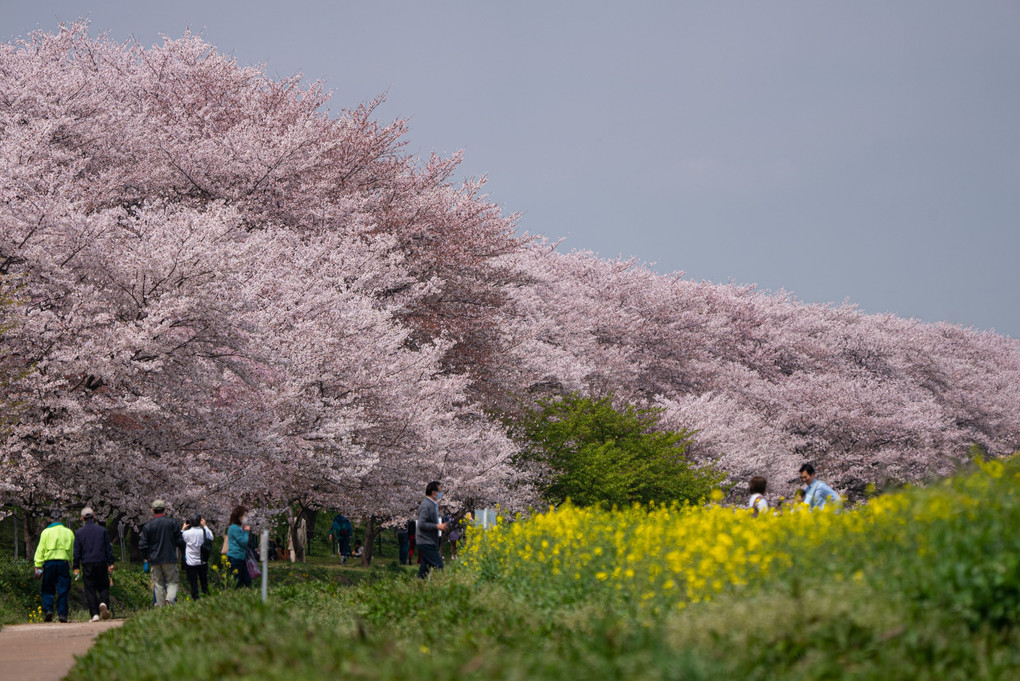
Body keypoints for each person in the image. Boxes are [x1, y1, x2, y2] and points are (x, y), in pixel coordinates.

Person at [139, 499, 184, 606]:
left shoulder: (148, 526)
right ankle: (170, 599)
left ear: (152, 510)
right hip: (170, 557)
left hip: (155, 559)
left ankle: (160, 607)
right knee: (172, 582)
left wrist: (147, 557)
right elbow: (180, 540)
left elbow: (142, 545)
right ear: (165, 509)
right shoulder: (172, 522)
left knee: (158, 584)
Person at [73, 507, 115, 622]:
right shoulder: (102, 530)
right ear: (94, 516)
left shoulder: (79, 533)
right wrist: (110, 562)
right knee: (103, 585)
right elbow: (108, 548)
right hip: (101, 561)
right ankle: (103, 602)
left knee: (90, 588)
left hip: (87, 563)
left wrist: (76, 566)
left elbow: (77, 552)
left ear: (82, 518)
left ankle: (94, 614)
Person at [34, 508, 75, 622]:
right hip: (63, 563)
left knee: (47, 587)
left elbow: (40, 549)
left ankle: (48, 610)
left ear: (50, 519)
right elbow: (72, 550)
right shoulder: (69, 532)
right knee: (63, 588)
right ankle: (62, 613)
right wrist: (73, 562)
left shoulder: (46, 532)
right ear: (61, 518)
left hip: (49, 563)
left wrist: (37, 564)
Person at [416, 481, 448, 579]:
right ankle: (442, 587)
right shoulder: (426, 505)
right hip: (425, 541)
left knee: (424, 569)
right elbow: (421, 524)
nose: (441, 493)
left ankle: (418, 587)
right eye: (439, 491)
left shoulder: (432, 504)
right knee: (438, 565)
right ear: (434, 493)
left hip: (428, 541)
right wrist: (437, 526)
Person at [181, 513, 214, 600]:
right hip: (202, 561)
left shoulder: (186, 533)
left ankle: (195, 598)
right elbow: (211, 537)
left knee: (193, 582)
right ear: (200, 521)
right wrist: (205, 526)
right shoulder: (204, 532)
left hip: (191, 562)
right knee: (204, 581)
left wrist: (183, 529)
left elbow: (180, 539)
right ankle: (206, 596)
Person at [225, 505, 252, 588]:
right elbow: (243, 542)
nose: (246, 518)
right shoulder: (234, 528)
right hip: (235, 558)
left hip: (240, 557)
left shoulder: (237, 528)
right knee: (237, 582)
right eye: (245, 516)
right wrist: (246, 532)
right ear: (239, 517)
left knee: (245, 581)